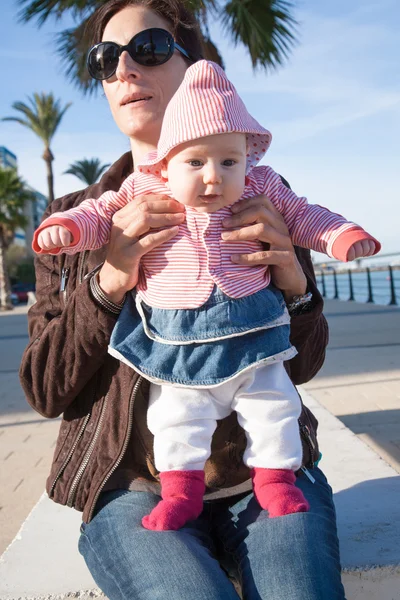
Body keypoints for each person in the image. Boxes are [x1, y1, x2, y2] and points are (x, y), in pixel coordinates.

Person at [20, 0, 348, 597]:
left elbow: (301, 366)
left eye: (147, 48)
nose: (124, 70)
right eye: (105, 59)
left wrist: (296, 291)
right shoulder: (71, 221)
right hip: (129, 489)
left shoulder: (260, 194)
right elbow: (45, 387)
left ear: (200, 67)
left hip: (262, 476)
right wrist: (110, 279)